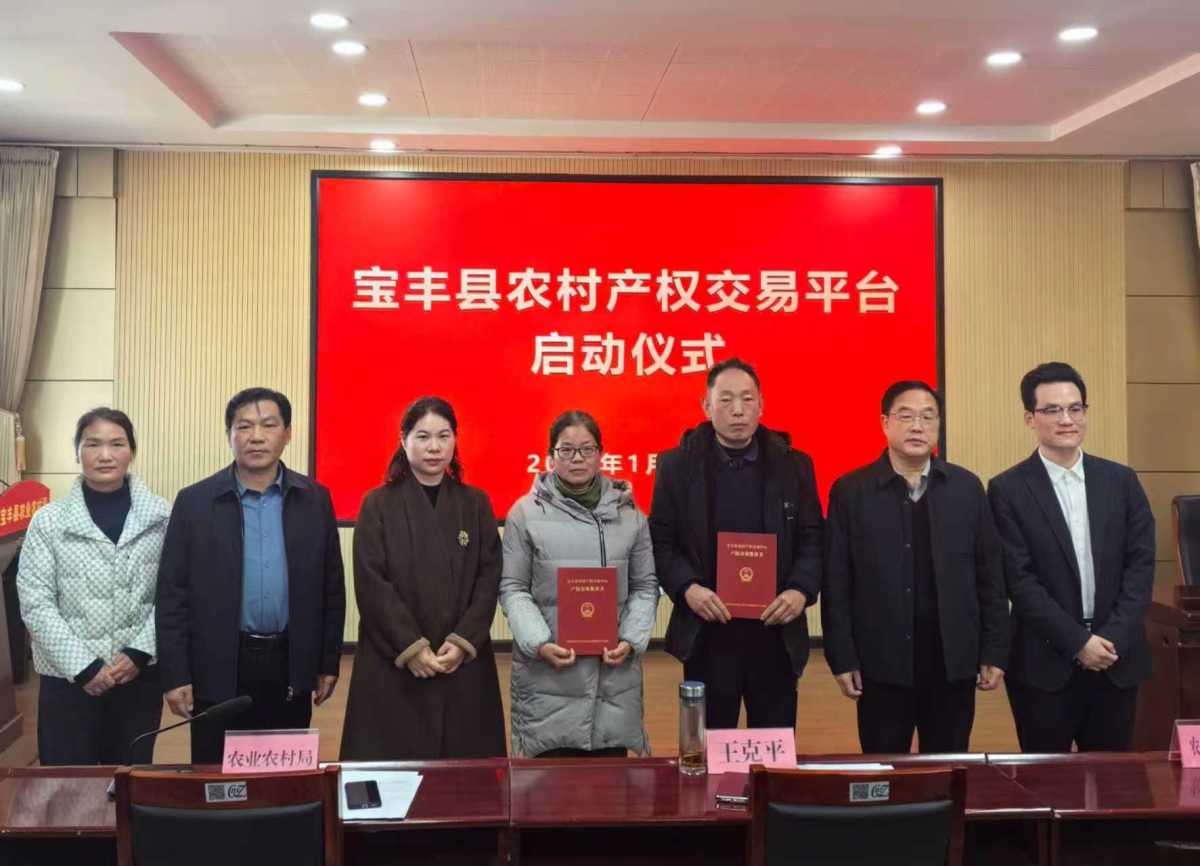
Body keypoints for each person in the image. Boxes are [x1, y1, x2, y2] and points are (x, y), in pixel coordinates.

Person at [156, 388, 345, 764]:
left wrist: (327, 662)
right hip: (218, 663)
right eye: (244, 426)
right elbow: (172, 593)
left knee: (285, 774)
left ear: (287, 433)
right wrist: (176, 673)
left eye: (268, 425)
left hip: (289, 660)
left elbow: (331, 588)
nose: (256, 436)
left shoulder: (314, 499)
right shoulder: (194, 502)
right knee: (215, 774)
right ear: (229, 435)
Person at [822, 381, 1009, 753]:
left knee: (949, 766)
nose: (917, 426)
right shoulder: (851, 491)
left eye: (928, 417)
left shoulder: (966, 488)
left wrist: (993, 650)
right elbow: (836, 582)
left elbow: (990, 577)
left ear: (938, 425)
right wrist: (842, 657)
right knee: (883, 767)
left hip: (952, 661)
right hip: (880, 663)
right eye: (906, 416)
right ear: (885, 423)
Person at [649, 358, 824, 729]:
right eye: (726, 400)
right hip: (707, 630)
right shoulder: (677, 466)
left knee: (773, 745)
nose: (738, 410)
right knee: (710, 746)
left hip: (775, 630)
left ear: (761, 405)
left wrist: (800, 590)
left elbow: (813, 537)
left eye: (747, 399)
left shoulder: (794, 466)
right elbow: (661, 540)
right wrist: (688, 588)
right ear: (706, 406)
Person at [989, 362, 1154, 751]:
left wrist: (1110, 639)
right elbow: (1019, 580)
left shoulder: (1122, 481)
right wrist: (1078, 642)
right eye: (1052, 410)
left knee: (1114, 778)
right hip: (1043, 664)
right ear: (1030, 418)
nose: (1067, 420)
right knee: (1046, 779)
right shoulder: (1007, 489)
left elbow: (1141, 565)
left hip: (1116, 659)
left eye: (1075, 408)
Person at [340, 397, 506, 759]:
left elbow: (489, 577)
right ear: (403, 440)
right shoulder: (377, 504)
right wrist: (411, 647)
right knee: (394, 769)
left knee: (465, 774)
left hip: (459, 660)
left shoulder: (475, 503)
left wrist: (463, 641)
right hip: (395, 661)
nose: (434, 447)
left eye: (444, 436)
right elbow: (372, 583)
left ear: (455, 440)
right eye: (423, 436)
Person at [500, 411, 660, 757]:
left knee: (610, 783)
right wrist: (539, 642)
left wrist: (630, 640)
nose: (577, 458)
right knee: (547, 782)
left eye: (587, 449)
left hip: (613, 680)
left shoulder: (630, 515)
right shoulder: (524, 514)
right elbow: (513, 588)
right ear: (550, 456)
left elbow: (645, 587)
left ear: (601, 454)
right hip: (548, 679)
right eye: (566, 450)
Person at [18, 408, 170, 764]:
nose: (105, 455)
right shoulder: (48, 522)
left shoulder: (162, 517)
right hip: (67, 680)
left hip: (138, 676)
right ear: (77, 452)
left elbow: (175, 594)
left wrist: (139, 653)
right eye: (92, 444)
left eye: (117, 444)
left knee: (130, 779)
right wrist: (84, 667)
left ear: (132, 451)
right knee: (68, 784)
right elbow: (35, 601)